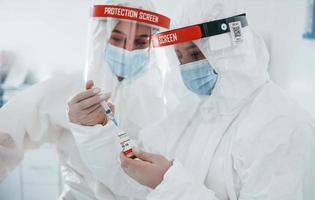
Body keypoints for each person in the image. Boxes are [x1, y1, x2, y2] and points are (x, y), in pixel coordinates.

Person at [70, 0, 315, 199]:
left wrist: (169, 185)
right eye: (180, 56)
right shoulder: (194, 113)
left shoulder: (280, 125)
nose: (188, 66)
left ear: (232, 49)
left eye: (197, 53)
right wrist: (93, 130)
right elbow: (130, 176)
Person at [0, 0, 173, 199]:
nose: (128, 51)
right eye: (117, 39)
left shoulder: (164, 101)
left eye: (141, 42)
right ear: (101, 36)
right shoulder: (68, 89)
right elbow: (7, 132)